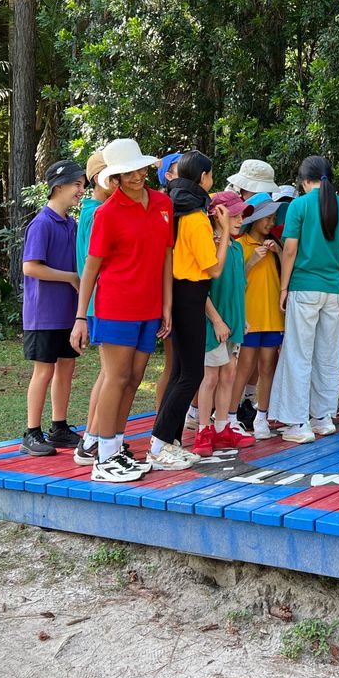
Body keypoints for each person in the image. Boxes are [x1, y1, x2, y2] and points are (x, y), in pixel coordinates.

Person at [70, 139, 174, 481]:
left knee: (134, 378)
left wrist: (167, 304)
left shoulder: (162, 203)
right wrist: (81, 317)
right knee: (116, 377)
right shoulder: (106, 213)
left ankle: (115, 448)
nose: (137, 176)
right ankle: (103, 458)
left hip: (150, 307)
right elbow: (91, 268)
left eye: (140, 169)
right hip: (115, 306)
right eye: (128, 173)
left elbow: (166, 255)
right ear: (114, 178)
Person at [150, 151, 233, 467]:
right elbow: (214, 269)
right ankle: (159, 443)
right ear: (203, 178)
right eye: (210, 175)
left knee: (181, 371)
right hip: (191, 294)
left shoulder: (177, 207)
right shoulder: (195, 218)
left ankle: (168, 441)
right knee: (192, 373)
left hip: (181, 292)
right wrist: (225, 232)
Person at [269, 156, 339, 444]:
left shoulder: (299, 205)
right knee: (327, 355)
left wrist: (283, 288)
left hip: (304, 287)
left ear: (305, 181)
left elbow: (290, 250)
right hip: (333, 289)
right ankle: (322, 418)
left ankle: (298, 423)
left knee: (298, 354)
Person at [20, 159, 87, 456]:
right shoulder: (42, 223)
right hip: (43, 315)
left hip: (68, 313)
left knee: (67, 368)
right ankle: (31, 433)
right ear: (58, 186)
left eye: (82, 185)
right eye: (76, 184)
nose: (81, 190)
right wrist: (70, 277)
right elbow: (31, 267)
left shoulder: (72, 224)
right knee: (44, 371)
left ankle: (58, 427)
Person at [194, 192, 257, 457]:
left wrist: (242, 318)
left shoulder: (237, 248)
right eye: (236, 215)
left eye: (242, 215)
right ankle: (203, 430)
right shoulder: (209, 244)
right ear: (218, 215)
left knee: (229, 374)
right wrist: (217, 320)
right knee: (210, 377)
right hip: (213, 325)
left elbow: (238, 286)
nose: (241, 220)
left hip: (233, 324)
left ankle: (222, 428)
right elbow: (201, 291)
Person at [71, 151, 114, 467]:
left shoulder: (95, 210)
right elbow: (93, 264)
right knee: (111, 373)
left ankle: (93, 437)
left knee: (109, 373)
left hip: (102, 302)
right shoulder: (97, 213)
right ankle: (91, 440)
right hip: (102, 303)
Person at [232, 192, 285, 439]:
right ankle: (230, 416)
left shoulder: (276, 246)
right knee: (244, 367)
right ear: (254, 219)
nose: (271, 223)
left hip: (273, 317)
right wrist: (252, 260)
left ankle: (262, 416)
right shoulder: (239, 245)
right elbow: (234, 282)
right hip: (249, 318)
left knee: (268, 366)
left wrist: (279, 253)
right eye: (267, 218)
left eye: (273, 218)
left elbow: (288, 275)